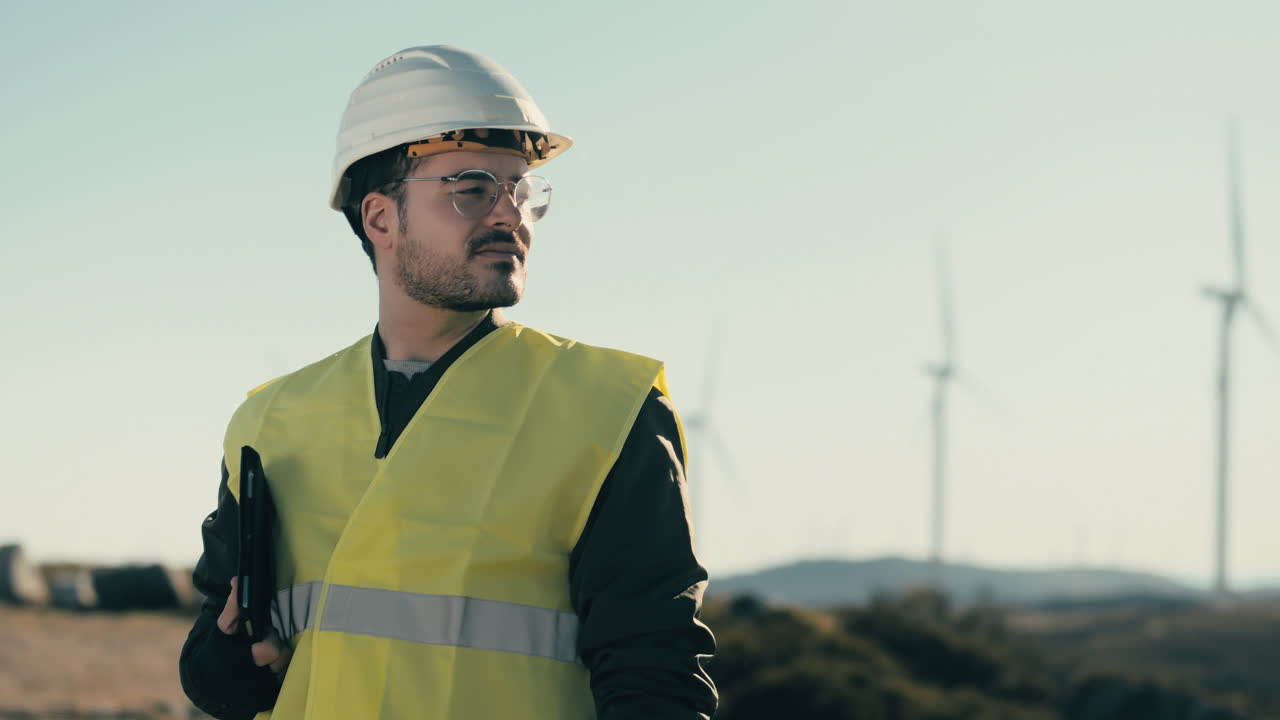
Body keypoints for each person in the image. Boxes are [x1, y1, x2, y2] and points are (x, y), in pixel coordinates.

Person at [178, 45, 717, 720]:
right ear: (380, 218)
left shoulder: (609, 407)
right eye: (471, 189)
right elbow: (215, 662)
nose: (510, 215)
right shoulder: (270, 422)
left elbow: (654, 673)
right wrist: (231, 659)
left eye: (521, 190)